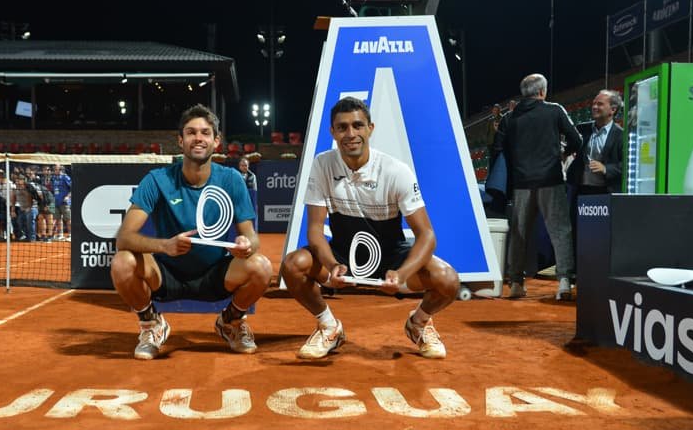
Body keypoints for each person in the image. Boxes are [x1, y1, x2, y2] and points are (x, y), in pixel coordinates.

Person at [280, 96, 459, 360]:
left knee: (448, 280)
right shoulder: (322, 164)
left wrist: (400, 274)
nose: (350, 134)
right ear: (333, 132)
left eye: (357, 126)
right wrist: (331, 265)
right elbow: (315, 230)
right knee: (293, 265)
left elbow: (427, 235)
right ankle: (330, 327)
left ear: (370, 128)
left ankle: (418, 323)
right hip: (342, 257)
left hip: (391, 259)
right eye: (342, 127)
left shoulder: (396, 171)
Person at [110, 104, 273, 360]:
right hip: (166, 274)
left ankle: (230, 322)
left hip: (215, 275)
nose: (198, 138)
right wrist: (165, 246)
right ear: (180, 140)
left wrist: (246, 244)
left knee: (261, 267)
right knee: (122, 262)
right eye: (191, 132)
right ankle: (151, 324)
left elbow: (251, 237)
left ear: (216, 141)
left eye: (205, 133)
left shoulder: (231, 179)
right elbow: (123, 238)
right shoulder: (157, 179)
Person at [493, 73, 582, 300]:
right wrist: (561, 154)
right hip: (550, 180)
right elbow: (577, 139)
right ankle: (563, 283)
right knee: (560, 231)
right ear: (542, 92)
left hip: (521, 183)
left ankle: (515, 284)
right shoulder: (554, 110)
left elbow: (498, 147)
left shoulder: (510, 117)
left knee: (519, 234)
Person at [565, 90, 624, 264]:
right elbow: (568, 147)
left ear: (612, 110)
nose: (595, 107)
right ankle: (577, 272)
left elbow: (625, 165)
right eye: (594, 103)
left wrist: (606, 168)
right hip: (581, 192)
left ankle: (600, 269)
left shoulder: (621, 135)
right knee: (577, 232)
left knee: (601, 235)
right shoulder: (581, 130)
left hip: (604, 194)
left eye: (600, 104)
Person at [237, 155, 258, 229]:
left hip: (250, 201)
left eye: (245, 165)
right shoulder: (235, 175)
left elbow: (254, 190)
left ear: (248, 166)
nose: (244, 167)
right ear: (239, 166)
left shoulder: (252, 176)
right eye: (242, 165)